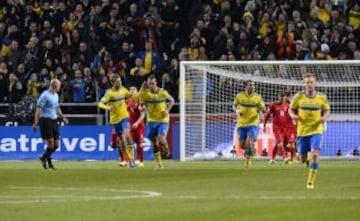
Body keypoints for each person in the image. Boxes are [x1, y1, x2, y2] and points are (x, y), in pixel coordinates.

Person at [289, 73, 330, 189]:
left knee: (315, 154)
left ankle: (310, 181)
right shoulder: (299, 96)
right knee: (302, 159)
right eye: (307, 82)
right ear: (304, 84)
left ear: (315, 83)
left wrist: (323, 118)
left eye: (312, 82)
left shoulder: (322, 97)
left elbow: (327, 111)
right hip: (302, 131)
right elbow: (290, 110)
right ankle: (305, 157)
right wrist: (293, 116)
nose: (310, 84)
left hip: (317, 129)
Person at [98, 75, 136, 168]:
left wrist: (135, 94)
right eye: (118, 82)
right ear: (113, 83)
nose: (121, 83)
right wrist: (107, 107)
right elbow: (100, 103)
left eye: (121, 81)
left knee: (127, 136)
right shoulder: (109, 93)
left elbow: (130, 96)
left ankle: (132, 159)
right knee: (122, 141)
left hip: (124, 117)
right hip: (115, 120)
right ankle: (127, 157)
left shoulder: (123, 89)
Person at [137, 75, 174, 169]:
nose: (151, 86)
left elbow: (172, 100)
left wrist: (167, 110)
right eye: (149, 84)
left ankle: (166, 149)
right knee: (154, 142)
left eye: (153, 84)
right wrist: (142, 107)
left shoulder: (162, 92)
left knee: (161, 140)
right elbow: (141, 104)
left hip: (162, 120)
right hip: (151, 121)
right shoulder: (145, 94)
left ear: (156, 83)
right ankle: (159, 163)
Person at [32, 79, 69, 170]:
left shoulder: (56, 95)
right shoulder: (44, 96)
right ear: (54, 86)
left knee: (56, 145)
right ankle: (48, 162)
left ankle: (44, 157)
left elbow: (56, 107)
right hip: (45, 120)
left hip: (54, 120)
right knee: (50, 144)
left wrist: (63, 117)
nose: (60, 87)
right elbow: (38, 110)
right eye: (59, 85)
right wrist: (36, 122)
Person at [233, 80, 266, 169]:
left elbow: (263, 108)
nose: (252, 87)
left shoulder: (257, 97)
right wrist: (237, 111)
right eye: (250, 85)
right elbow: (234, 105)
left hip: (253, 123)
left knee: (249, 141)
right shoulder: (239, 96)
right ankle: (251, 150)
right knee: (242, 145)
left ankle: (248, 164)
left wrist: (263, 111)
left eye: (253, 85)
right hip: (241, 124)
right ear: (246, 86)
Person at [264, 92, 296, 164]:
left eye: (283, 97)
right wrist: (264, 125)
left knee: (280, 144)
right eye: (280, 97)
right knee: (280, 143)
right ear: (278, 97)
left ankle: (272, 158)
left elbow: (293, 113)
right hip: (276, 128)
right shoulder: (273, 105)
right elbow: (267, 115)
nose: (282, 98)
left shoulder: (287, 106)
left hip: (285, 128)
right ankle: (285, 158)